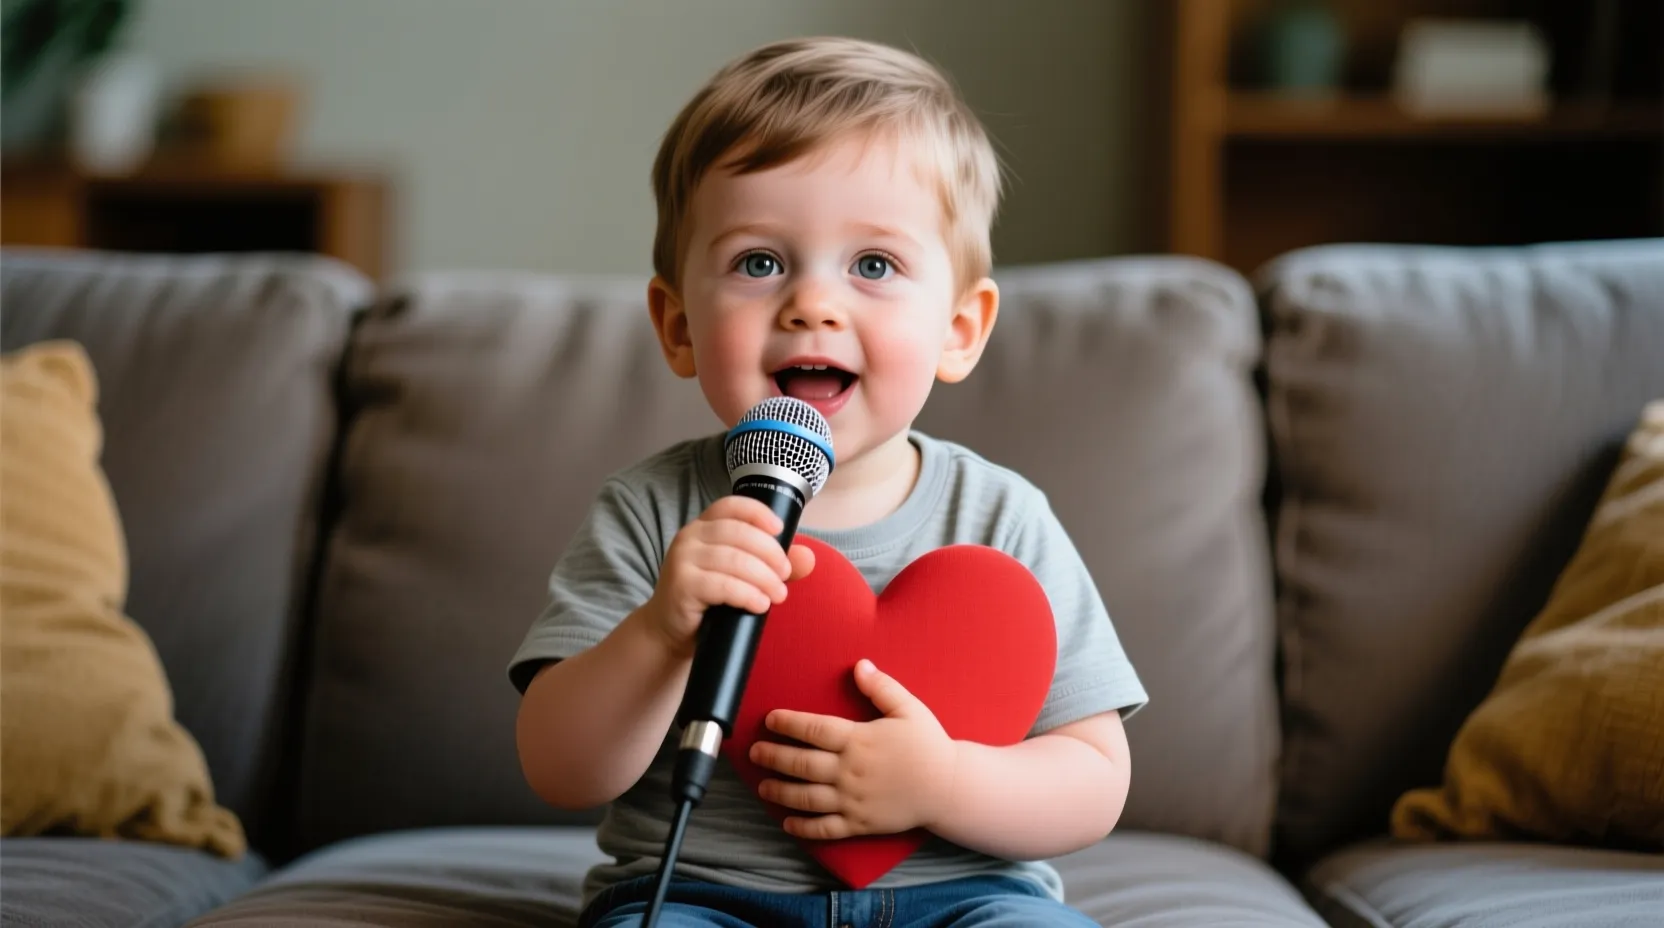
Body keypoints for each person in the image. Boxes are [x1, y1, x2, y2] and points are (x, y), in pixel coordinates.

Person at [510, 35, 1148, 927]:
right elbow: (560, 767)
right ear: (678, 324)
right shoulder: (652, 513)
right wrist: (660, 633)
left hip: (961, 898)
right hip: (706, 898)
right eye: (759, 262)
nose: (813, 303)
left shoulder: (1000, 516)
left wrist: (943, 782)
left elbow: (1094, 778)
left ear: (961, 328)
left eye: (874, 266)